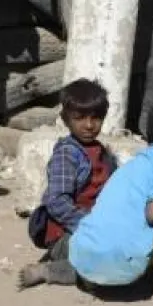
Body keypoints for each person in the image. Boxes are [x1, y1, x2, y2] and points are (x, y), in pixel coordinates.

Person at [19, 97, 153, 306]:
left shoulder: (130, 166)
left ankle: (52, 271)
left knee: (112, 246)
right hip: (123, 269)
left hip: (83, 257)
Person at [26, 79, 118, 261]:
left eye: (96, 118)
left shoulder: (102, 152)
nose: (89, 125)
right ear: (65, 120)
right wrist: (91, 227)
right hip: (69, 232)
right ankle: (53, 268)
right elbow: (57, 202)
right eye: (79, 118)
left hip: (96, 226)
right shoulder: (67, 154)